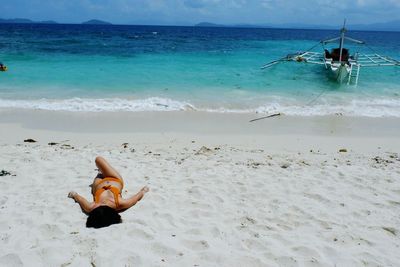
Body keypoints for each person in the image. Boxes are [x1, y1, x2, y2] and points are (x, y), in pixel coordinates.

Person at [68, 156, 149, 228]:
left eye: (99, 207)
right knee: (98, 160)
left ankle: (101, 172)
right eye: (103, 207)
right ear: (111, 212)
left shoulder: (91, 207)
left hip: (97, 185)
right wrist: (144, 191)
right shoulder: (121, 203)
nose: (101, 204)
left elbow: (79, 198)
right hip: (114, 178)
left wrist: (73, 195)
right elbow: (136, 198)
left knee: (99, 169)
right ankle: (102, 171)